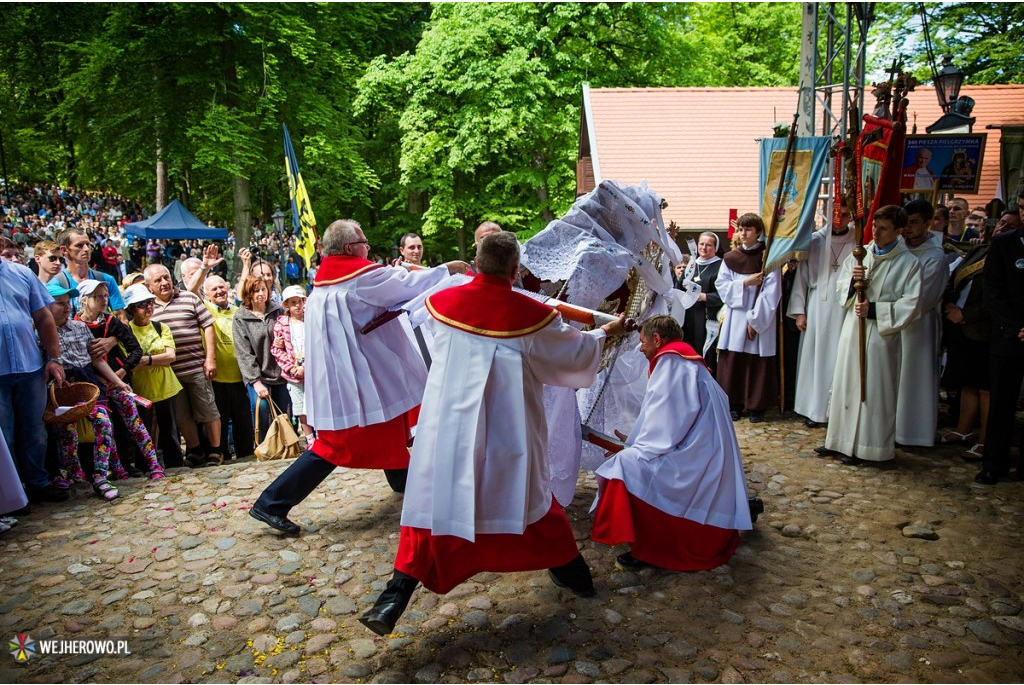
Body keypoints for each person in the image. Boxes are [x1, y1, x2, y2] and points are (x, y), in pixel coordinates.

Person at [358, 231, 625, 636]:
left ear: (476, 263)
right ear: (515, 271)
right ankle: (576, 577)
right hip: (508, 432)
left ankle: (393, 597)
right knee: (529, 503)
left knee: (433, 510)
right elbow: (573, 354)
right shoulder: (532, 317)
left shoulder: (441, 305)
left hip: (449, 431)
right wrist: (606, 333)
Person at [248, 220, 470, 535]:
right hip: (358, 376)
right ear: (352, 247)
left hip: (345, 373)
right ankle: (272, 502)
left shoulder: (327, 280)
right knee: (337, 444)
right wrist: (448, 270)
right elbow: (406, 284)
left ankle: (404, 480)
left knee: (388, 422)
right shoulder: (359, 278)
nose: (367, 248)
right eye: (364, 242)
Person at [590, 315, 756, 571]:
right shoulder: (683, 360)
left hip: (694, 457)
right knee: (630, 460)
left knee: (624, 466)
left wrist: (633, 449)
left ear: (657, 339)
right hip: (700, 450)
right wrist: (633, 440)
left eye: (643, 342)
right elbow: (669, 414)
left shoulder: (671, 362)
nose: (641, 348)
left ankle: (653, 546)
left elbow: (668, 424)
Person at [818, 205, 922, 465]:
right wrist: (854, 283)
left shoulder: (909, 263)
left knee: (874, 390)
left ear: (898, 231)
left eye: (883, 228)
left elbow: (912, 303)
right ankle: (840, 441)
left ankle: (870, 447)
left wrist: (874, 309)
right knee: (846, 383)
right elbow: (842, 289)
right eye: (875, 226)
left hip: (880, 336)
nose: (876, 232)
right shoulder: (859, 255)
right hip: (853, 330)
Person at [46, 281, 134, 500]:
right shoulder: (39, 332)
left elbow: (96, 360)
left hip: (88, 382)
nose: (66, 307)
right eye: (59, 304)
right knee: (67, 431)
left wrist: (118, 381)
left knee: (103, 423)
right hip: (62, 387)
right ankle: (76, 476)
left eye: (67, 303)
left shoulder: (79, 327)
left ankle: (101, 476)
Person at [75, 279, 164, 479]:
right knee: (106, 426)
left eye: (105, 295)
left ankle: (154, 465)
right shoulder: (76, 326)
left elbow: (135, 349)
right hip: (93, 386)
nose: (103, 300)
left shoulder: (111, 322)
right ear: (84, 300)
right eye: (97, 296)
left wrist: (121, 373)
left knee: (135, 423)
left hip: (118, 382)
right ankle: (116, 468)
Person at [0, 251, 67, 503]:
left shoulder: (22, 273)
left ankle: (38, 483)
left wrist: (54, 358)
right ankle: (12, 495)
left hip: (29, 366)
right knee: (3, 436)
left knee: (35, 430)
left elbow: (43, 317)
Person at [144, 263, 223, 467]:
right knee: (182, 416)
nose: (164, 283)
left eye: (166, 277)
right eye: (158, 280)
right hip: (169, 373)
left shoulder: (189, 297)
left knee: (207, 409)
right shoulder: (148, 307)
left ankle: (215, 451)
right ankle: (195, 450)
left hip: (196, 366)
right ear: (148, 286)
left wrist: (210, 358)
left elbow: (208, 326)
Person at [787, 207, 855, 427]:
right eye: (835, 213)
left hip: (845, 308)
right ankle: (813, 409)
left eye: (844, 214)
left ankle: (837, 410)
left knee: (840, 358)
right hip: (817, 305)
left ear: (850, 216)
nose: (839, 218)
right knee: (814, 358)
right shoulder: (815, 241)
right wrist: (800, 311)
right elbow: (801, 277)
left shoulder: (859, 243)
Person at [974, 184, 1024, 485]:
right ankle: (994, 462)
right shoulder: (1005, 245)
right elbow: (993, 292)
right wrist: (1016, 326)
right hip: (1008, 336)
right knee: (1001, 403)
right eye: (1022, 209)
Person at [714, 213, 782, 423]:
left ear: (758, 232)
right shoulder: (730, 258)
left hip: (759, 314)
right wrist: (745, 283)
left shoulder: (768, 257)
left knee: (756, 360)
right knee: (733, 358)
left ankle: (756, 406)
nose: (743, 234)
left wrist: (755, 320)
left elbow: (772, 291)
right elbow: (722, 285)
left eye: (748, 230)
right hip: (736, 315)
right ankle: (733, 403)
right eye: (741, 229)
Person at [939, 216, 996, 460]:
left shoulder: (1006, 255)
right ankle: (964, 430)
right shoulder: (979, 251)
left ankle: (986, 441)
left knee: (986, 388)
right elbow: (956, 278)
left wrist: (965, 314)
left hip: (985, 328)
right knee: (968, 381)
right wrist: (950, 303)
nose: (997, 229)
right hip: (961, 327)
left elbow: (996, 296)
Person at [895, 200, 949, 447]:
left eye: (914, 222)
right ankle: (891, 428)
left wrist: (889, 307)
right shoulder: (898, 248)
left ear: (928, 223)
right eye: (905, 222)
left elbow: (923, 297)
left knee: (914, 378)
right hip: (893, 322)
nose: (908, 228)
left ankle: (914, 433)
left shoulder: (934, 257)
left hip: (918, 325)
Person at [124, 283, 183, 467]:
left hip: (166, 387)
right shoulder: (126, 331)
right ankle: (145, 466)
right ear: (132, 309)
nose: (149, 307)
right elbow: (129, 364)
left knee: (170, 430)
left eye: (150, 302)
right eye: (143, 304)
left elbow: (171, 356)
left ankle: (175, 464)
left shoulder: (160, 327)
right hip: (141, 391)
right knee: (144, 431)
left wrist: (146, 360)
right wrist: (158, 358)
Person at [202, 275, 254, 461]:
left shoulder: (238, 311)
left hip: (241, 378)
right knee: (220, 421)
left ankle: (246, 454)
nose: (219, 291)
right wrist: (204, 267)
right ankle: (222, 453)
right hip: (217, 379)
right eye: (214, 289)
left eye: (221, 287)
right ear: (206, 294)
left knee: (243, 421)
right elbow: (190, 291)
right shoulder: (206, 310)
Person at [232, 275, 289, 444]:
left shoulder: (277, 310)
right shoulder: (241, 318)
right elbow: (243, 353)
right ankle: (264, 444)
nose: (260, 294)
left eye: (263, 289)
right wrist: (255, 381)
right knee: (261, 408)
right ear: (248, 294)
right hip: (257, 374)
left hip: (280, 370)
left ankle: (285, 443)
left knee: (283, 411)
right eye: (256, 291)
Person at [54, 227, 126, 319]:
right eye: (79, 245)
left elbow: (121, 317)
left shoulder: (106, 280)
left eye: (88, 244)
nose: (86, 249)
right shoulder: (57, 284)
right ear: (64, 250)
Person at [272, 285, 313, 446]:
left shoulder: (310, 321)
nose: (297, 305)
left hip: (312, 371)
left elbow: (317, 345)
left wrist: (306, 367)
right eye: (293, 302)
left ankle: (321, 434)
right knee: (300, 406)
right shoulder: (281, 325)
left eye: (300, 302)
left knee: (315, 403)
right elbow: (277, 350)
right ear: (286, 305)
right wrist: (291, 368)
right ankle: (310, 437)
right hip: (293, 373)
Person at [681, 232, 724, 373]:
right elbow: (679, 286)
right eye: (701, 244)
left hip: (707, 319)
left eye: (708, 245)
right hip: (688, 318)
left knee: (705, 356)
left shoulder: (721, 266)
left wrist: (702, 297)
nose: (704, 247)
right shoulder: (692, 265)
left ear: (715, 248)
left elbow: (724, 296)